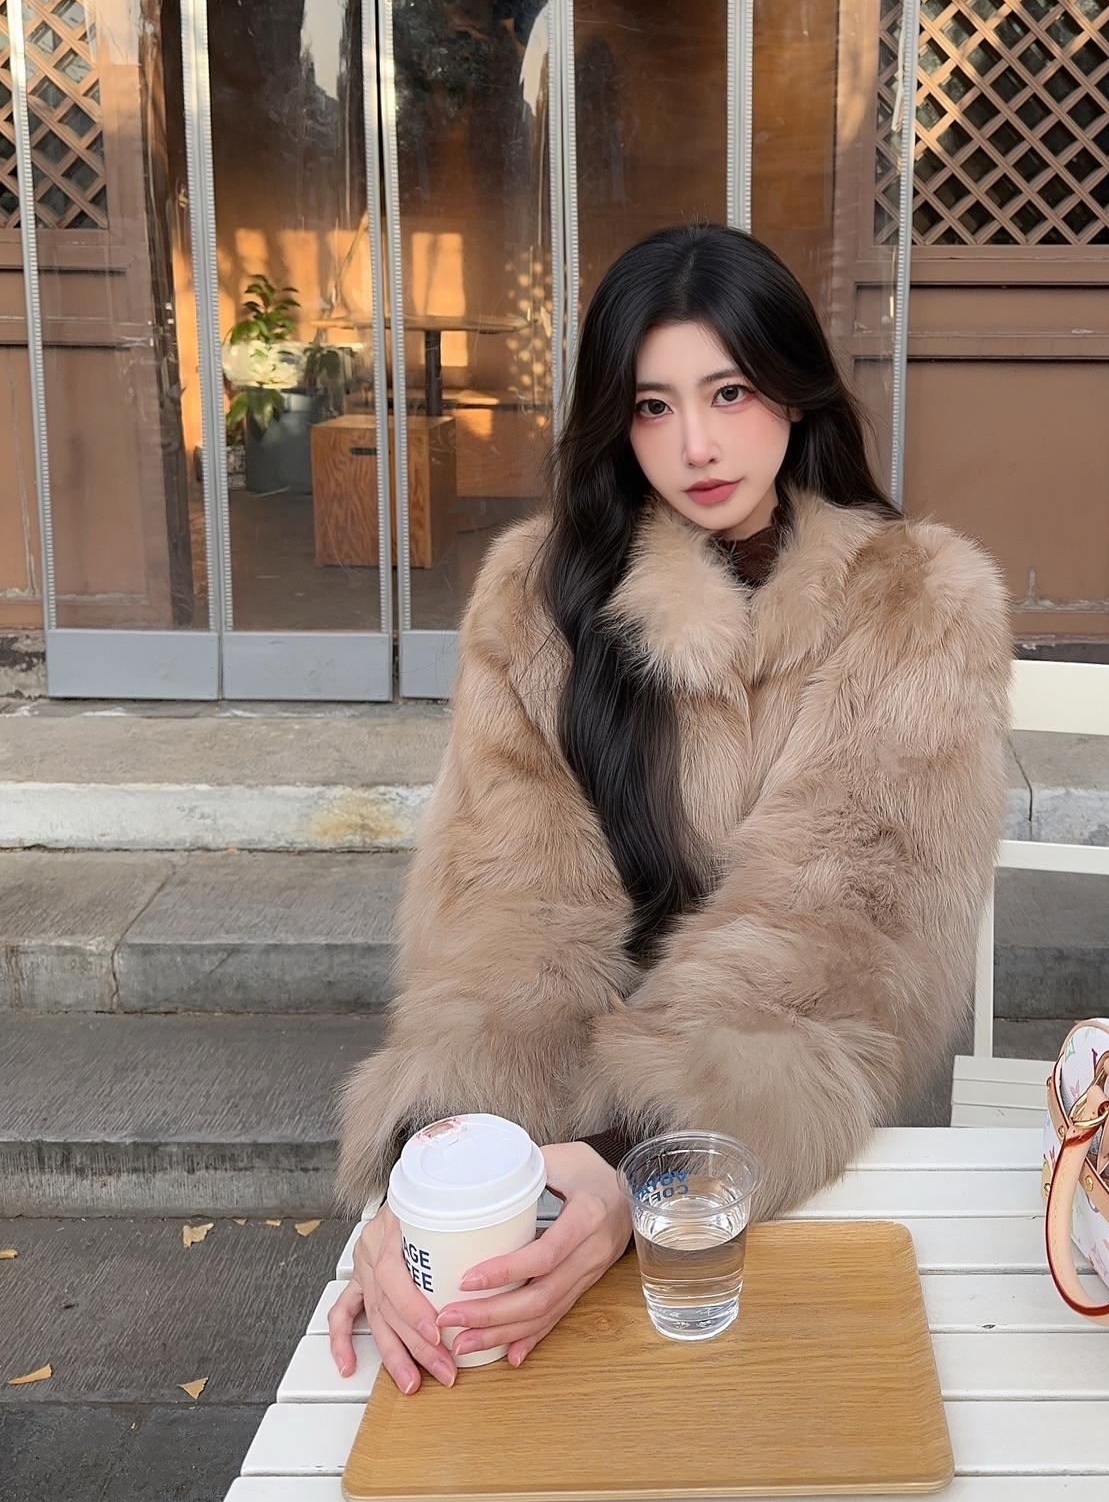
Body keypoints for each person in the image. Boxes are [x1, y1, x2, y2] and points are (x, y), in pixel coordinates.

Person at [328, 220, 1012, 1395]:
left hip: (770, 1146)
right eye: (652, 406)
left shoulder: (920, 605)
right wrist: (439, 1177)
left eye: (729, 392)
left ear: (793, 390)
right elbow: (509, 915)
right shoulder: (538, 599)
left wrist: (630, 1166)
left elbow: (847, 943)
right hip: (554, 1153)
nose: (695, 445)